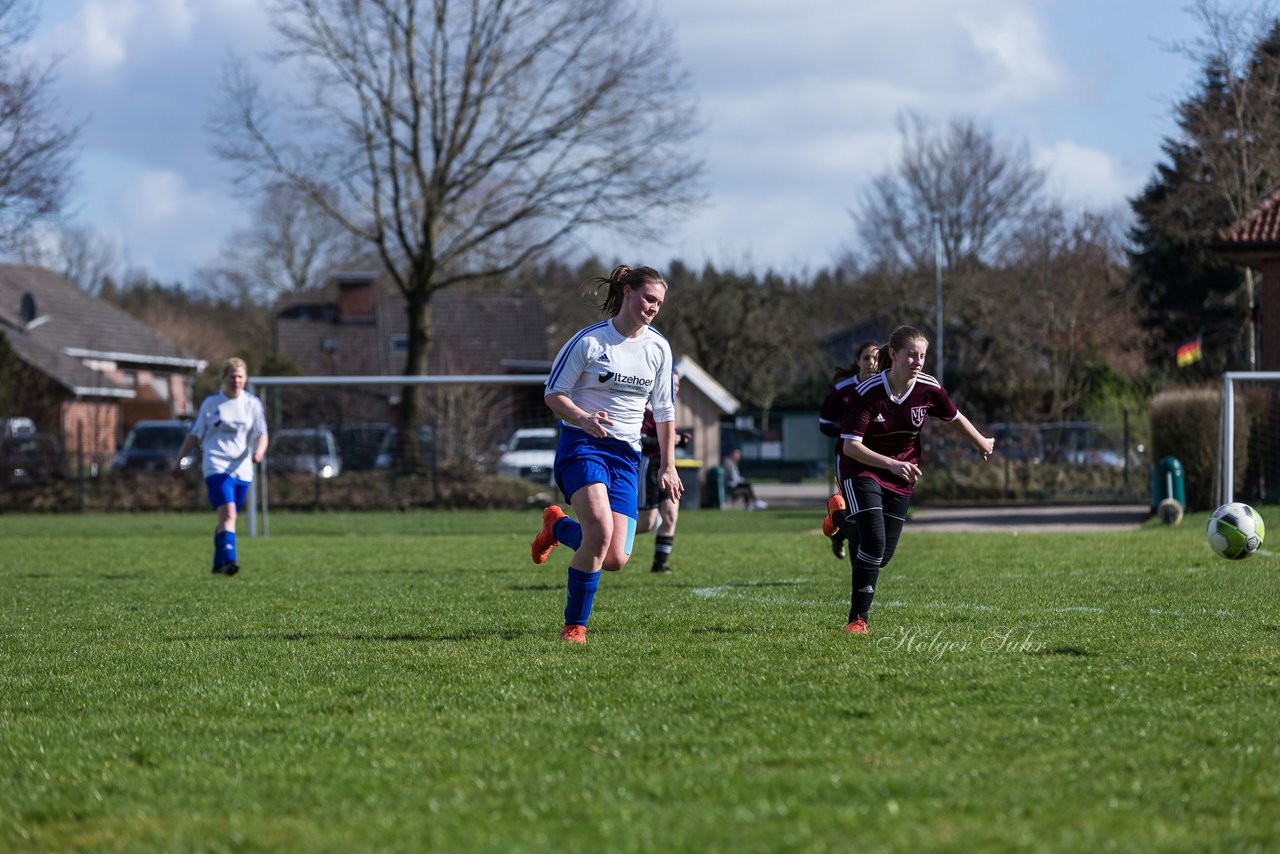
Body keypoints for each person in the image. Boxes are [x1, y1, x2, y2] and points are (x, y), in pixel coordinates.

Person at [529, 265, 682, 644]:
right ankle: (574, 627)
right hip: (582, 445)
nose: (653, 308)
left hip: (626, 457)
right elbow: (553, 394)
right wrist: (583, 418)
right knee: (597, 533)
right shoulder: (589, 342)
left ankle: (557, 527)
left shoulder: (659, 348)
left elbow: (664, 411)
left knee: (613, 558)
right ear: (627, 292)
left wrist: (668, 464)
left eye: (659, 303)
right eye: (648, 298)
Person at [835, 326, 994, 634]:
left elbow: (955, 417)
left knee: (881, 556)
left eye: (922, 355)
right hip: (861, 468)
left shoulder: (928, 388)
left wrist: (980, 442)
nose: (918, 361)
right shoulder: (868, 393)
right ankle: (858, 619)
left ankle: (840, 518)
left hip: (902, 474)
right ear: (893, 355)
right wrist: (892, 464)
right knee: (874, 542)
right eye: (911, 354)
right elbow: (850, 446)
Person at [172, 357, 269, 576]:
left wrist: (259, 452)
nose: (236, 380)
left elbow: (262, 434)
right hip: (216, 464)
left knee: (226, 518)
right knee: (229, 514)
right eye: (232, 376)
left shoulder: (252, 403)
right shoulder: (211, 403)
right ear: (223, 378)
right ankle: (230, 561)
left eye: (240, 376)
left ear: (245, 379)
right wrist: (178, 460)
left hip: (242, 467)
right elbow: (194, 435)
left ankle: (217, 563)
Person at [818, 340, 881, 559]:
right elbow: (824, 424)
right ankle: (862, 578)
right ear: (858, 361)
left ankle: (837, 529)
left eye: (876, 358)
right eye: (867, 358)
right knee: (855, 513)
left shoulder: (888, 387)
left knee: (872, 513)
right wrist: (850, 434)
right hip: (848, 457)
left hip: (879, 459)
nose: (872, 363)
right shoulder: (843, 390)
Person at [636, 373, 693, 574]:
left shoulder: (668, 408)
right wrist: (669, 440)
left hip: (668, 467)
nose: (675, 387)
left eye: (677, 384)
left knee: (670, 517)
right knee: (646, 523)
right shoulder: (647, 409)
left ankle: (659, 565)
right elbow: (639, 441)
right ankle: (603, 535)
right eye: (672, 383)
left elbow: (667, 439)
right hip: (649, 466)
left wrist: (680, 439)